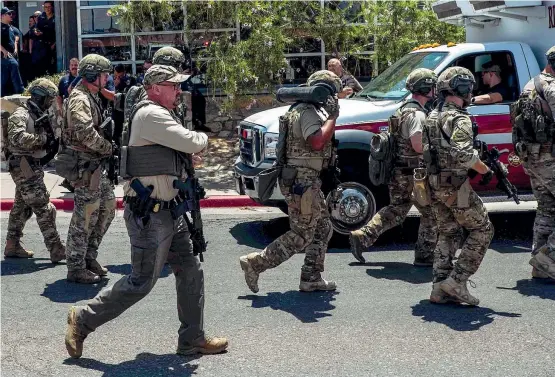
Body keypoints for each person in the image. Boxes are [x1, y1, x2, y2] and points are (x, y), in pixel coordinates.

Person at [65, 64, 228, 359]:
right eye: (173, 85)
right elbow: (192, 141)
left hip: (171, 212)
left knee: (190, 270)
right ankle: (83, 320)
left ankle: (192, 339)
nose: (179, 90)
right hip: (149, 216)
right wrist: (201, 139)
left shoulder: (161, 113)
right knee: (141, 282)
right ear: (155, 88)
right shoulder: (151, 113)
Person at [239, 70, 341, 293]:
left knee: (323, 228)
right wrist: (333, 118)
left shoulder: (300, 109)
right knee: (302, 233)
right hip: (302, 182)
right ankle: (256, 263)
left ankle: (311, 277)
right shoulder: (307, 113)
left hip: (305, 181)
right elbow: (315, 142)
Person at [350, 68, 439, 266]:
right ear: (424, 88)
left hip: (399, 171)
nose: (435, 90)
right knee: (431, 213)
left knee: (397, 210)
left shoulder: (402, 110)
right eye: (432, 86)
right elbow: (417, 145)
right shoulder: (417, 114)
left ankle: (362, 235)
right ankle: (425, 255)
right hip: (415, 174)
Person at [423, 67, 495, 305]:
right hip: (455, 185)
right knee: (483, 229)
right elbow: (463, 154)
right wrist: (485, 170)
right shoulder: (459, 117)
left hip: (433, 183)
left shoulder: (432, 115)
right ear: (462, 88)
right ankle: (457, 280)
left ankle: (439, 287)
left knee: (448, 231)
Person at [61, 54, 116, 284]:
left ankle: (88, 256)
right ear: (93, 75)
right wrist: (106, 147)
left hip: (95, 164)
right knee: (85, 216)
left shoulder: (92, 96)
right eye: (104, 75)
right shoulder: (80, 99)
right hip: (85, 165)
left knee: (108, 208)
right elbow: (84, 132)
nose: (107, 79)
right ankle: (75, 267)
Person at [3, 78, 66, 262]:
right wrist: (42, 140)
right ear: (40, 97)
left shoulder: (35, 113)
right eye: (48, 98)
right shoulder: (21, 114)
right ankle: (56, 248)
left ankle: (12, 245)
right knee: (43, 207)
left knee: (21, 208)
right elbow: (17, 137)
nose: (50, 102)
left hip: (30, 165)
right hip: (23, 165)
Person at [516, 46, 555, 280]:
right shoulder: (551, 87)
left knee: (547, 210)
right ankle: (546, 257)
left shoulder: (531, 84)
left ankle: (541, 268)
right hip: (549, 157)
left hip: (532, 157)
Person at [1, 7, 24, 96]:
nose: (11, 16)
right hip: (4, 56)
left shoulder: (10, 28)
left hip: (11, 55)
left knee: (4, 77)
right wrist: (4, 50)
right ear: (2, 16)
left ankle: (3, 94)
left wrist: (15, 49)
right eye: (8, 14)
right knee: (14, 65)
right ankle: (20, 91)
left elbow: (14, 39)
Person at [32, 1, 56, 77]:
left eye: (49, 7)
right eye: (45, 7)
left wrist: (55, 43)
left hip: (51, 45)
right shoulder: (41, 17)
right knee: (40, 67)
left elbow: (58, 33)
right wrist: (36, 31)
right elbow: (36, 27)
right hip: (42, 46)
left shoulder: (56, 17)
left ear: (52, 7)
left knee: (51, 67)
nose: (47, 9)